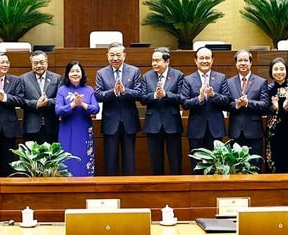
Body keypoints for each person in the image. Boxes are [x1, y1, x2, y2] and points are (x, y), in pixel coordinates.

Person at [94, 42, 143, 175]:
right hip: (110, 121)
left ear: (124, 56)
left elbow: (139, 93)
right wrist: (114, 92)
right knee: (110, 160)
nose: (115, 58)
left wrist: (124, 90)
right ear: (107, 56)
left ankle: (129, 189)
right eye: (112, 55)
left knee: (129, 159)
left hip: (129, 121)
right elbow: (98, 95)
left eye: (118, 55)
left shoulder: (134, 71)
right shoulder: (101, 73)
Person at [181, 46, 230, 164]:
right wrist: (200, 98)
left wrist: (213, 95)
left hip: (216, 129)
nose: (204, 61)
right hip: (196, 129)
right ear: (195, 60)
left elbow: (227, 101)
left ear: (212, 60)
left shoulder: (221, 78)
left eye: (207, 58)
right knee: (196, 165)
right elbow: (185, 103)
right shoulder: (188, 79)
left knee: (216, 165)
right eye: (201, 58)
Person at [141, 47, 185, 175]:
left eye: (157, 60)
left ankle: (177, 187)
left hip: (172, 123)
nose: (154, 63)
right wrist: (155, 95)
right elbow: (142, 98)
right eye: (153, 60)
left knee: (175, 160)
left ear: (167, 61)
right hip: (153, 124)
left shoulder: (178, 75)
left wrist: (166, 95)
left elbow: (182, 98)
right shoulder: (147, 76)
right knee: (156, 161)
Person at [55, 60, 99, 176]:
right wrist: (73, 104)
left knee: (84, 156)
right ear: (67, 74)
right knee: (67, 157)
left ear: (82, 73)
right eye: (72, 71)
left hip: (84, 128)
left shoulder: (89, 89)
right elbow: (58, 110)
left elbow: (96, 109)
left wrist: (82, 104)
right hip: (67, 129)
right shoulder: (62, 90)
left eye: (77, 71)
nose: (75, 74)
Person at [226, 49, 269, 159]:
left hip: (254, 133)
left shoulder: (261, 82)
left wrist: (248, 103)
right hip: (235, 132)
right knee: (236, 169)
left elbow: (265, 105)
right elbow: (225, 104)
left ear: (251, 63)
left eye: (246, 60)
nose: (243, 63)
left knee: (254, 168)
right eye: (240, 60)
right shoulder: (229, 82)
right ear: (236, 64)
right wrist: (237, 105)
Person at [264, 57, 288, 173]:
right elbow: (263, 108)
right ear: (271, 71)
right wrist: (273, 108)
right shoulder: (267, 89)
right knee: (272, 158)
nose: (279, 72)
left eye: (282, 69)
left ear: (286, 70)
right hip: (272, 130)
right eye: (276, 69)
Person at [20, 50, 61, 145]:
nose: (39, 66)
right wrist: (35, 104)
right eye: (35, 63)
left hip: (51, 126)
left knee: (51, 158)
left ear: (47, 63)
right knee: (31, 158)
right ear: (31, 64)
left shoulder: (57, 78)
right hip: (31, 127)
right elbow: (20, 100)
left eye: (42, 62)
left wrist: (48, 102)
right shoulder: (23, 79)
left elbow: (60, 99)